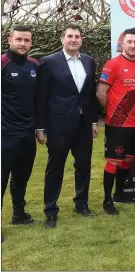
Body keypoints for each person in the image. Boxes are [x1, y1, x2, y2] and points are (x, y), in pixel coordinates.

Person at [35, 23, 99, 228]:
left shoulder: (89, 62)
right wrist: (40, 127)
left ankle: (81, 204)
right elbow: (42, 96)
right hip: (58, 124)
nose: (74, 39)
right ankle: (50, 211)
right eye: (70, 36)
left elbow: (90, 95)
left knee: (83, 165)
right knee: (55, 167)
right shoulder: (49, 62)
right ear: (62, 38)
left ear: (81, 40)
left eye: (77, 36)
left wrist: (93, 121)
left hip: (83, 125)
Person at [96, 28, 135, 215]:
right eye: (129, 42)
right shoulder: (113, 64)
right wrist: (112, 113)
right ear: (122, 44)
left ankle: (120, 194)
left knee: (128, 159)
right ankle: (107, 201)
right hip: (117, 124)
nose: (132, 45)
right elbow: (101, 93)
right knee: (113, 161)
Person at [1, 25, 40, 232]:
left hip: (27, 134)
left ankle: (19, 215)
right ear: (10, 40)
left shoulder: (34, 66)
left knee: (21, 178)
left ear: (31, 42)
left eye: (27, 40)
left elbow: (38, 99)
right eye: (19, 40)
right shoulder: (2, 63)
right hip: (4, 135)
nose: (23, 44)